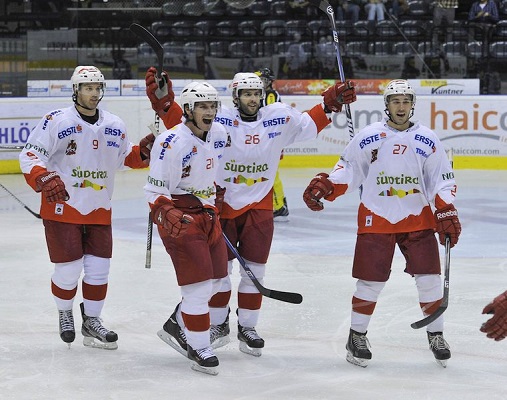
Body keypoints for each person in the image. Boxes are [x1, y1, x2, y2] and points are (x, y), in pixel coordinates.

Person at [145, 67, 357, 358]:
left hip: (259, 203)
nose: (252, 98)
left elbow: (308, 124)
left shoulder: (278, 116)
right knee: (221, 274)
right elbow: (184, 129)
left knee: (255, 270)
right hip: (222, 203)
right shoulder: (218, 122)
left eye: (256, 93)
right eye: (246, 93)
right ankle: (217, 324)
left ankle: (248, 327)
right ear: (235, 96)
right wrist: (165, 103)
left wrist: (330, 103)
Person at [302, 79, 461, 368]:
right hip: (377, 215)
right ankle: (357, 336)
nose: (401, 106)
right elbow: (349, 170)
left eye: (405, 101)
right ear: (386, 105)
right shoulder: (368, 136)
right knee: (370, 282)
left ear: (413, 104)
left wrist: (445, 208)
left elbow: (442, 178)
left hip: (417, 217)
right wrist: (328, 185)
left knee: (430, 280)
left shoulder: (428, 138)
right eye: (395, 101)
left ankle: (436, 335)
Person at [18, 66, 157, 350]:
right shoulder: (55, 120)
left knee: (98, 270)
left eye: (97, 88)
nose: (94, 93)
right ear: (76, 90)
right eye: (87, 88)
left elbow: (126, 157)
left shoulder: (114, 124)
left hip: (98, 209)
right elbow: (30, 154)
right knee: (68, 271)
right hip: (63, 208)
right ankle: (65, 312)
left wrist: (143, 150)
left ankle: (92, 321)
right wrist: (43, 177)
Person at [144, 81, 229, 375]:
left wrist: (215, 193)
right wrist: (165, 212)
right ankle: (199, 346)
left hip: (208, 213)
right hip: (181, 217)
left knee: (219, 281)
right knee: (199, 287)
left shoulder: (218, 133)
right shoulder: (170, 143)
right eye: (203, 106)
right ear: (189, 110)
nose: (210, 112)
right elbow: (154, 191)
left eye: (212, 106)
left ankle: (176, 324)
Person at [254, 67, 289, 222]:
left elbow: (269, 116)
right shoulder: (265, 94)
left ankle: (279, 205)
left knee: (270, 173)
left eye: (263, 80)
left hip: (270, 139)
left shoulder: (270, 95)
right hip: (268, 139)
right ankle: (280, 202)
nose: (261, 83)